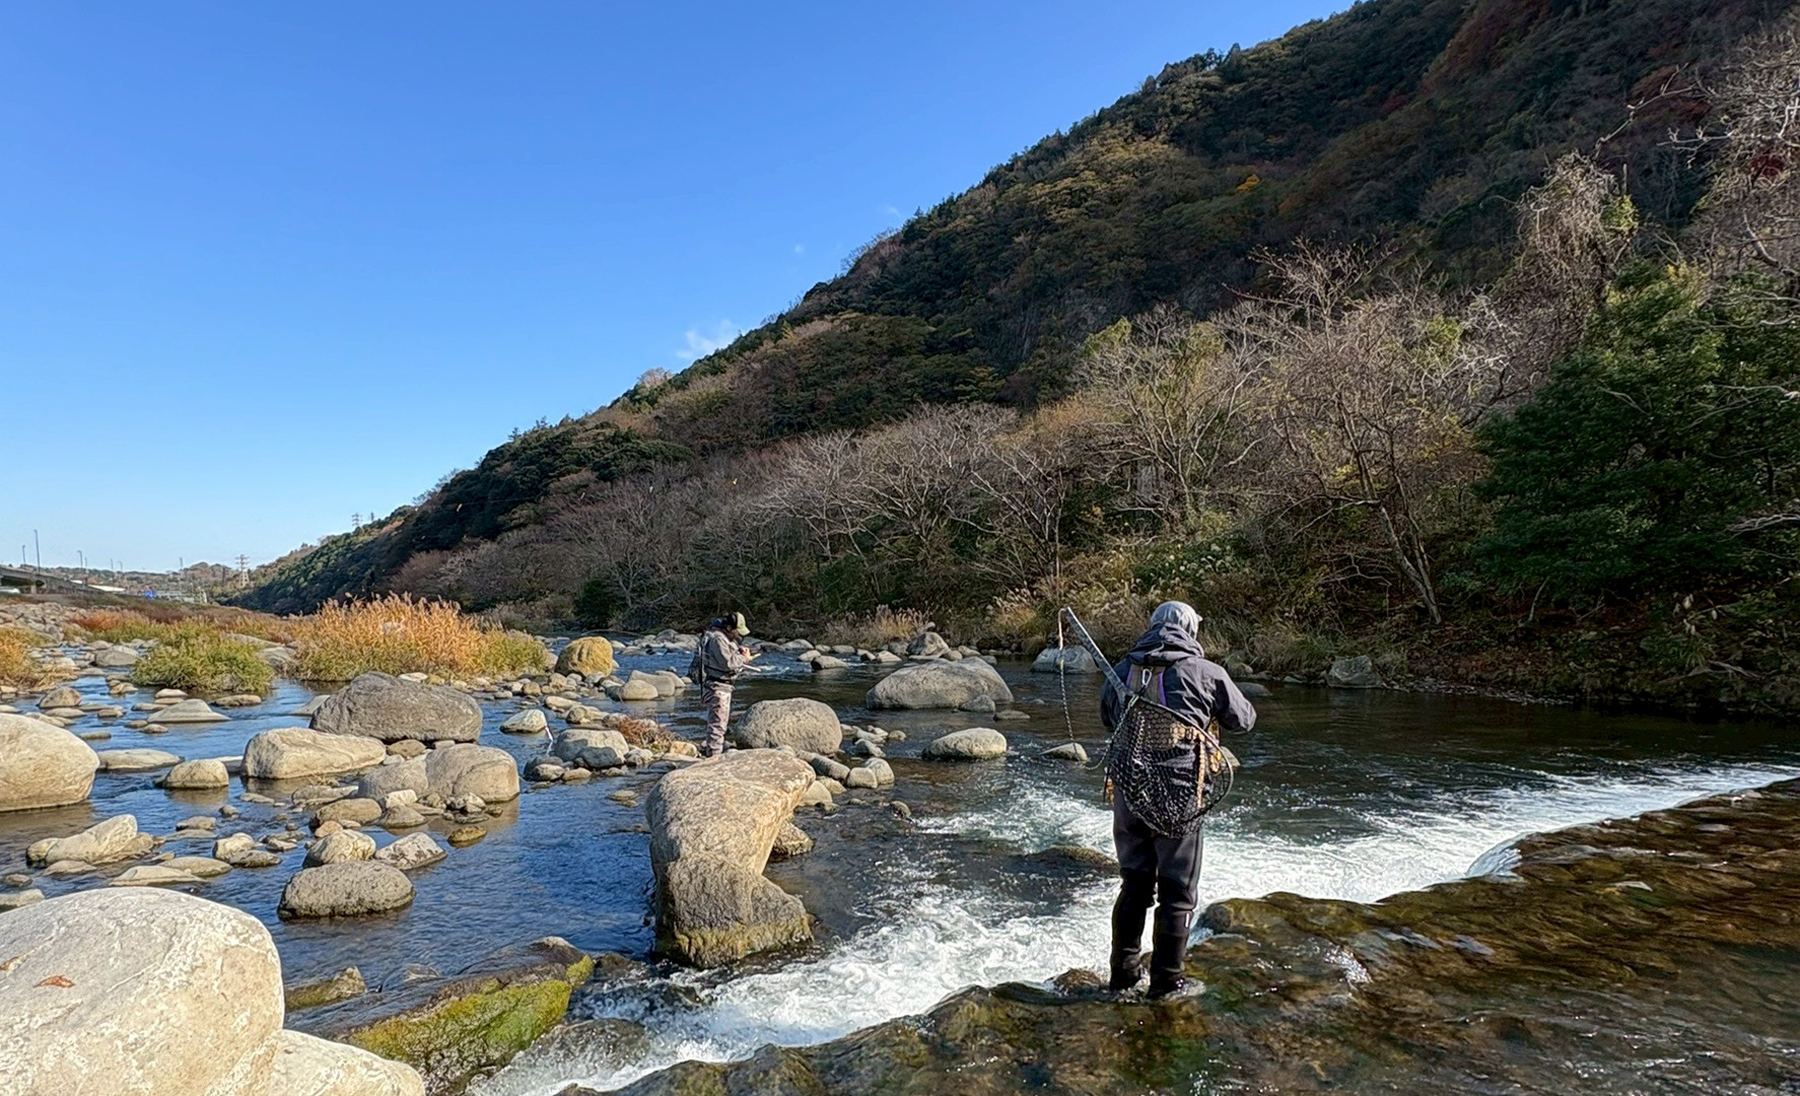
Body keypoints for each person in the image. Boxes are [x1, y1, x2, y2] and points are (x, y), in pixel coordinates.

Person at [1099, 600, 1257, 998]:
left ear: (1153, 626)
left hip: (1129, 792)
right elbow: (1243, 719)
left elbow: (1107, 717)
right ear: (1190, 630)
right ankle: (1167, 984)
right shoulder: (1205, 672)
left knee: (1134, 884)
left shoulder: (1123, 668)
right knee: (1177, 892)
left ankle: (1123, 976)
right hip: (1180, 793)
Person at [689, 611, 753, 758]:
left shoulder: (721, 637)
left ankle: (713, 754)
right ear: (729, 628)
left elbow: (727, 656)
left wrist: (739, 651)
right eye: (737, 631)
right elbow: (728, 663)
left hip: (720, 686)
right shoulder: (718, 640)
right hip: (718, 688)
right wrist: (744, 658)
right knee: (718, 726)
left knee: (718, 725)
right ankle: (714, 758)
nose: (739, 635)